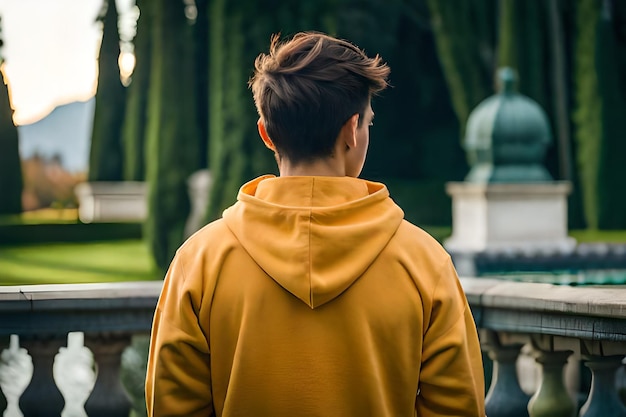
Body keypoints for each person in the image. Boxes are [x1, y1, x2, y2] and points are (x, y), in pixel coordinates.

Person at [145, 31, 485, 417]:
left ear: (266, 134)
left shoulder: (199, 261)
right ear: (351, 131)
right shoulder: (425, 263)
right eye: (368, 124)